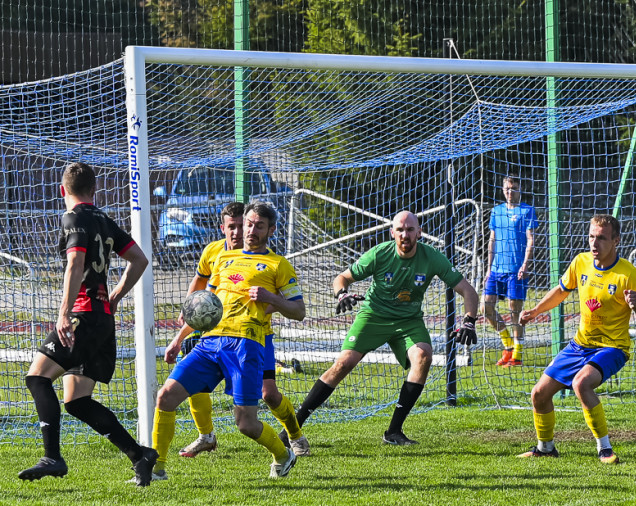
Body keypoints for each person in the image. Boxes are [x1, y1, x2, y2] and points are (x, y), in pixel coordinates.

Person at [18, 162, 158, 485]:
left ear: (62, 190)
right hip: (102, 319)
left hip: (83, 316)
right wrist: (115, 296)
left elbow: (76, 263)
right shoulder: (104, 220)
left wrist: (64, 313)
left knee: (37, 378)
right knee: (77, 401)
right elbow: (139, 259)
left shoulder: (73, 217)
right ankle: (140, 455)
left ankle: (52, 457)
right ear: (94, 190)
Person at [289, 211, 480, 445]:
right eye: (400, 230)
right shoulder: (379, 254)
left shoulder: (432, 257)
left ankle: (394, 432)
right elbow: (341, 278)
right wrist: (342, 294)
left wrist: (469, 321)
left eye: (410, 229)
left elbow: (468, 291)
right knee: (343, 364)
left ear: (419, 233)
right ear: (392, 233)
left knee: (423, 356)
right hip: (373, 316)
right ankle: (292, 428)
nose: (405, 234)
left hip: (408, 321)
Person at [149, 202, 306, 480]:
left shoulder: (278, 264)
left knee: (246, 424)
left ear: (271, 230)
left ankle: (283, 454)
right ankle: (155, 469)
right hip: (210, 342)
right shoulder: (222, 258)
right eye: (249, 224)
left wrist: (271, 298)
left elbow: (299, 311)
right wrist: (178, 339)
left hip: (246, 345)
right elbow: (206, 306)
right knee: (165, 396)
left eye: (259, 226)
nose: (251, 230)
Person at [517, 214, 636, 464]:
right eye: (591, 236)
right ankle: (545, 448)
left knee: (581, 383)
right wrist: (536, 311)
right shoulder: (581, 262)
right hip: (580, 345)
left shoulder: (627, 273)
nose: (594, 243)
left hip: (612, 348)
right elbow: (561, 291)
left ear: (616, 241)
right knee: (539, 394)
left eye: (601, 238)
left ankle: (605, 450)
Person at [484, 176, 537, 367]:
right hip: (496, 269)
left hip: (516, 270)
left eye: (513, 188)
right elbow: (492, 240)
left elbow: (531, 239)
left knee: (515, 311)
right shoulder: (496, 211)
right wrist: (488, 268)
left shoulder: (527, 211)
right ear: (502, 190)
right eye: (507, 188)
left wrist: (525, 264)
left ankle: (517, 355)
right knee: (485, 307)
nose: (510, 191)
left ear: (519, 189)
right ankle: (507, 345)